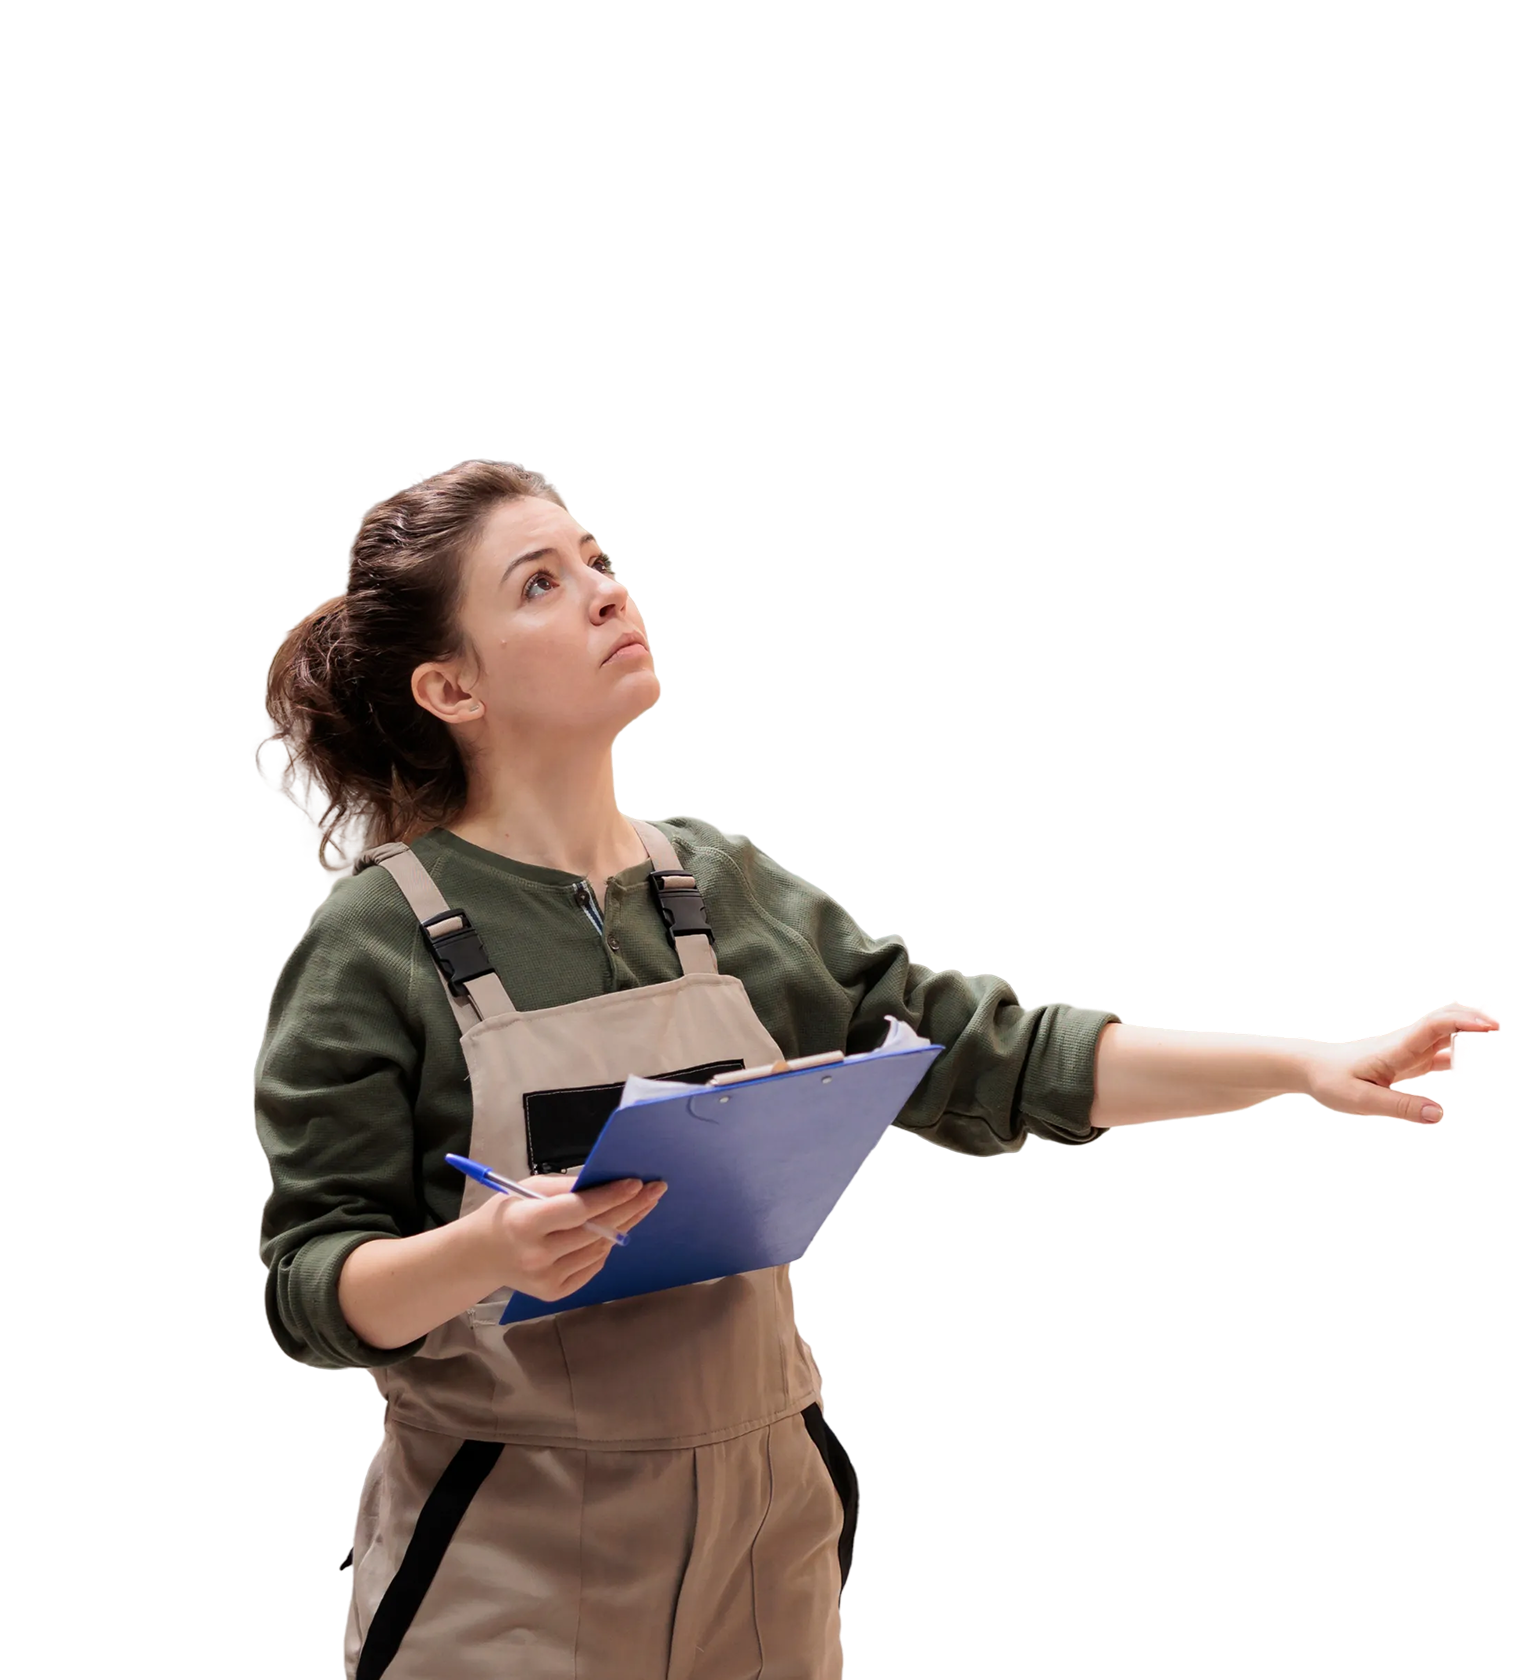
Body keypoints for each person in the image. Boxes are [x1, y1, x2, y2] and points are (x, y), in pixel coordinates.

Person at [253, 459, 1496, 1680]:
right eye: (537, 583)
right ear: (449, 686)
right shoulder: (374, 943)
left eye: (598, 559)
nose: (603, 592)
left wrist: (1302, 1064)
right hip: (508, 1552)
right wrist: (484, 1254)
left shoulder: (720, 886)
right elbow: (311, 1287)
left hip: (766, 1535)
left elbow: (992, 1062)